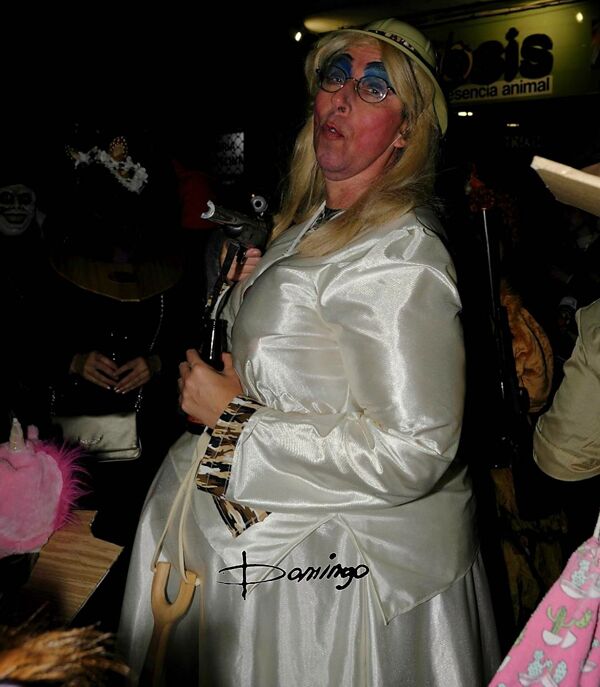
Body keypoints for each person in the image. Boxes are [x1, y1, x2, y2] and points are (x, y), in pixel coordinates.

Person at [119, 18, 501, 685]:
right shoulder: (313, 222)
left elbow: (415, 449)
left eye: (375, 87)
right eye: (336, 76)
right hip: (269, 539)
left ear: (406, 131)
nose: (343, 96)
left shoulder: (402, 253)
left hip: (330, 584)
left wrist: (235, 420)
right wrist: (247, 295)